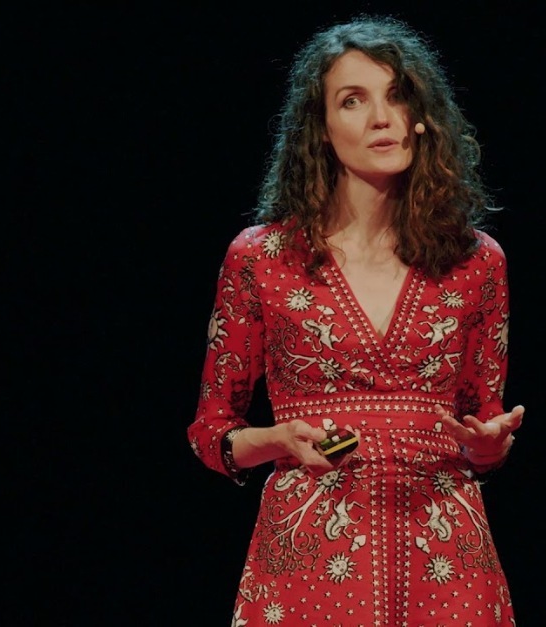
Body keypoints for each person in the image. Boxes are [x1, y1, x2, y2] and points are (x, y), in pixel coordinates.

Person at [187, 14, 525, 626]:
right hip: (310, 559)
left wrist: (488, 445)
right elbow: (212, 433)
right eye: (353, 100)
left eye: (397, 96)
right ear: (320, 128)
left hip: (446, 562)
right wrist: (277, 440)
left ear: (421, 117)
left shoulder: (477, 262)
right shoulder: (261, 259)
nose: (381, 117)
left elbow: (482, 422)